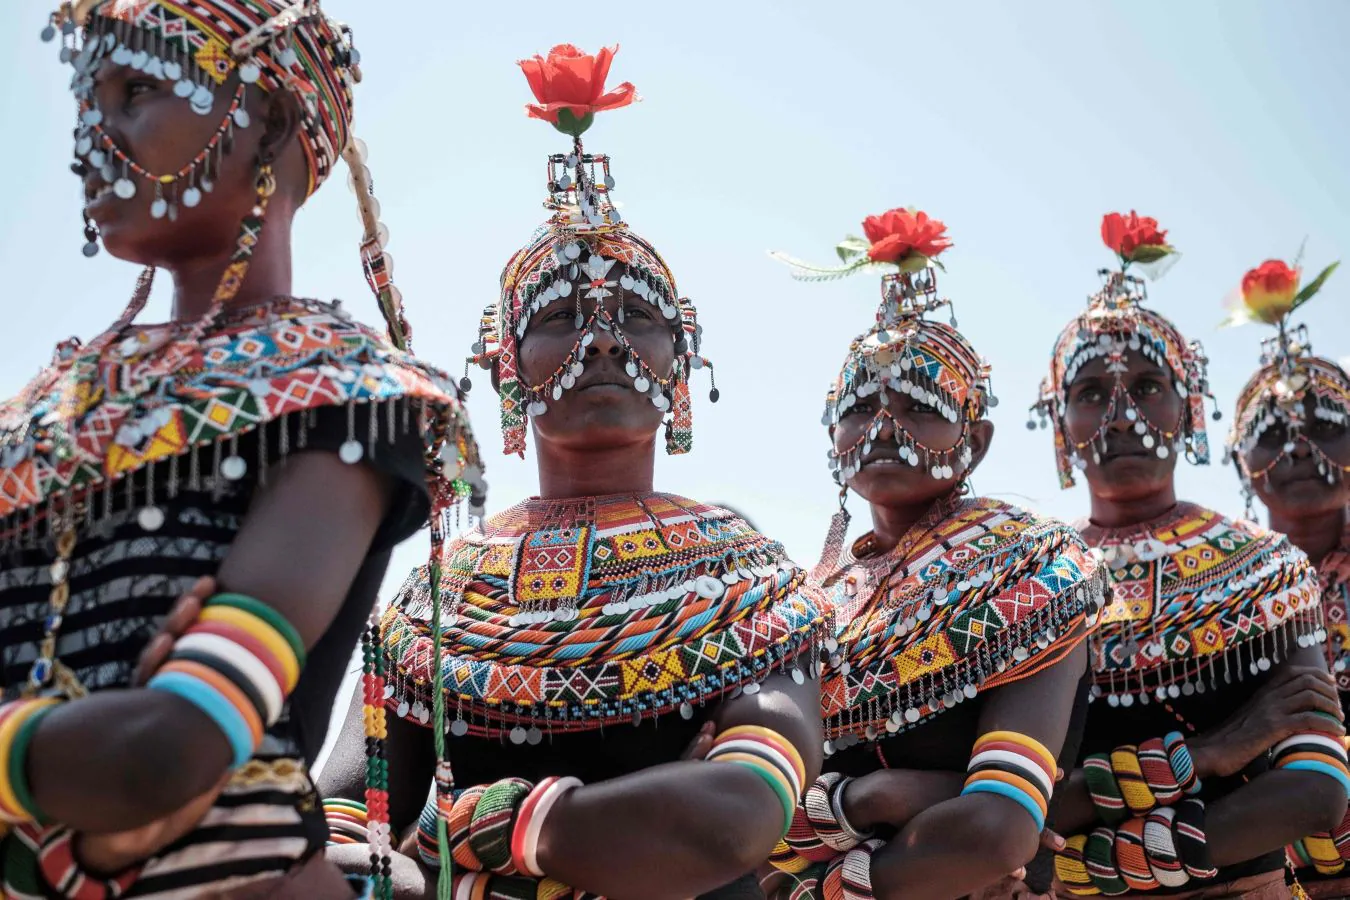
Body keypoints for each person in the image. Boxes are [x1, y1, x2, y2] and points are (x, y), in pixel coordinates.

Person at [318, 44, 831, 900]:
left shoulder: (746, 581)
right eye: (560, 314)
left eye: (638, 314)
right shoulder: (435, 603)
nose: (601, 338)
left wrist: (486, 824)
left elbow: (734, 815)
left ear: (682, 360)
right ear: (504, 365)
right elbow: (341, 830)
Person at [0, 2, 481, 897]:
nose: (88, 138)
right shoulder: (39, 414)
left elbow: (168, 751)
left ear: (273, 118)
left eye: (136, 90)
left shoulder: (351, 399)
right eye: (84, 103)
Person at [760, 208, 1109, 900]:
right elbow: (750, 821)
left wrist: (816, 879)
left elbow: (997, 832)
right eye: (860, 407)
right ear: (832, 434)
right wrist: (879, 796)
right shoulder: (807, 602)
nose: (882, 429)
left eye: (917, 405)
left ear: (975, 441)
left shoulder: (1036, 570)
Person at [1028, 213, 1346, 899]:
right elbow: (1015, 806)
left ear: (1190, 410)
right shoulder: (1028, 585)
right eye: (1089, 394)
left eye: (1146, 387)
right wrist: (1214, 751)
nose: (1119, 413)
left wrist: (1084, 861)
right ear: (1060, 424)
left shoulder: (1266, 568)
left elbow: (1315, 794)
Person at [1226, 255, 1350, 897]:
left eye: (1326, 427)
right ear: (1240, 460)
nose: (1299, 448)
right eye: (1272, 433)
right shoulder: (1216, 585)